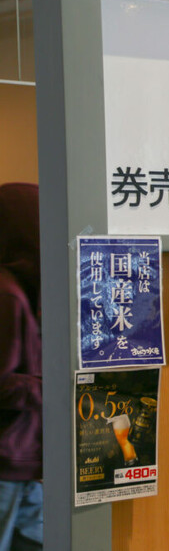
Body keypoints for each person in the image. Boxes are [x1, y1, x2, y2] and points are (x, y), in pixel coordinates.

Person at [0, 183, 43, 551]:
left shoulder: (23, 287)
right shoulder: (7, 295)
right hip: (7, 458)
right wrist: (52, 387)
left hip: (23, 457)